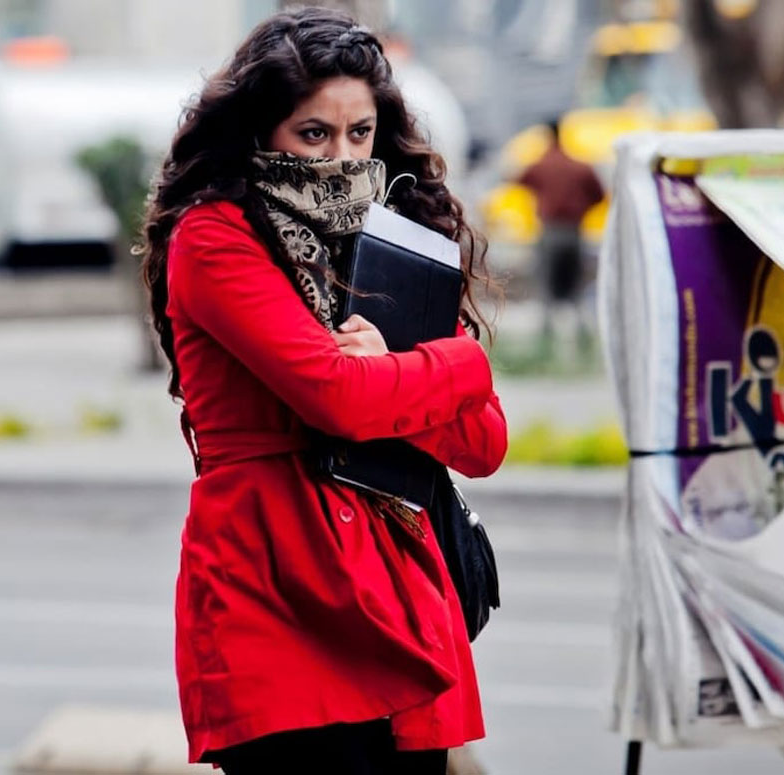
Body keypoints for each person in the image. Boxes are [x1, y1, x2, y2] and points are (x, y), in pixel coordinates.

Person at [140, 8, 507, 775]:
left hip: (394, 583)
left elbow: (484, 443)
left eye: (359, 133)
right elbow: (336, 397)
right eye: (315, 133)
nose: (341, 157)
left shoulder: (394, 239)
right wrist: (462, 365)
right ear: (262, 131)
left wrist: (396, 371)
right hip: (278, 588)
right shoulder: (214, 236)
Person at [517, 119, 604, 345]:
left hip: (550, 230)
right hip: (574, 230)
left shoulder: (542, 165)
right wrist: (582, 208)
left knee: (546, 282)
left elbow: (519, 180)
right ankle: (582, 334)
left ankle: (545, 336)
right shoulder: (579, 166)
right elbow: (600, 193)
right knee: (576, 284)